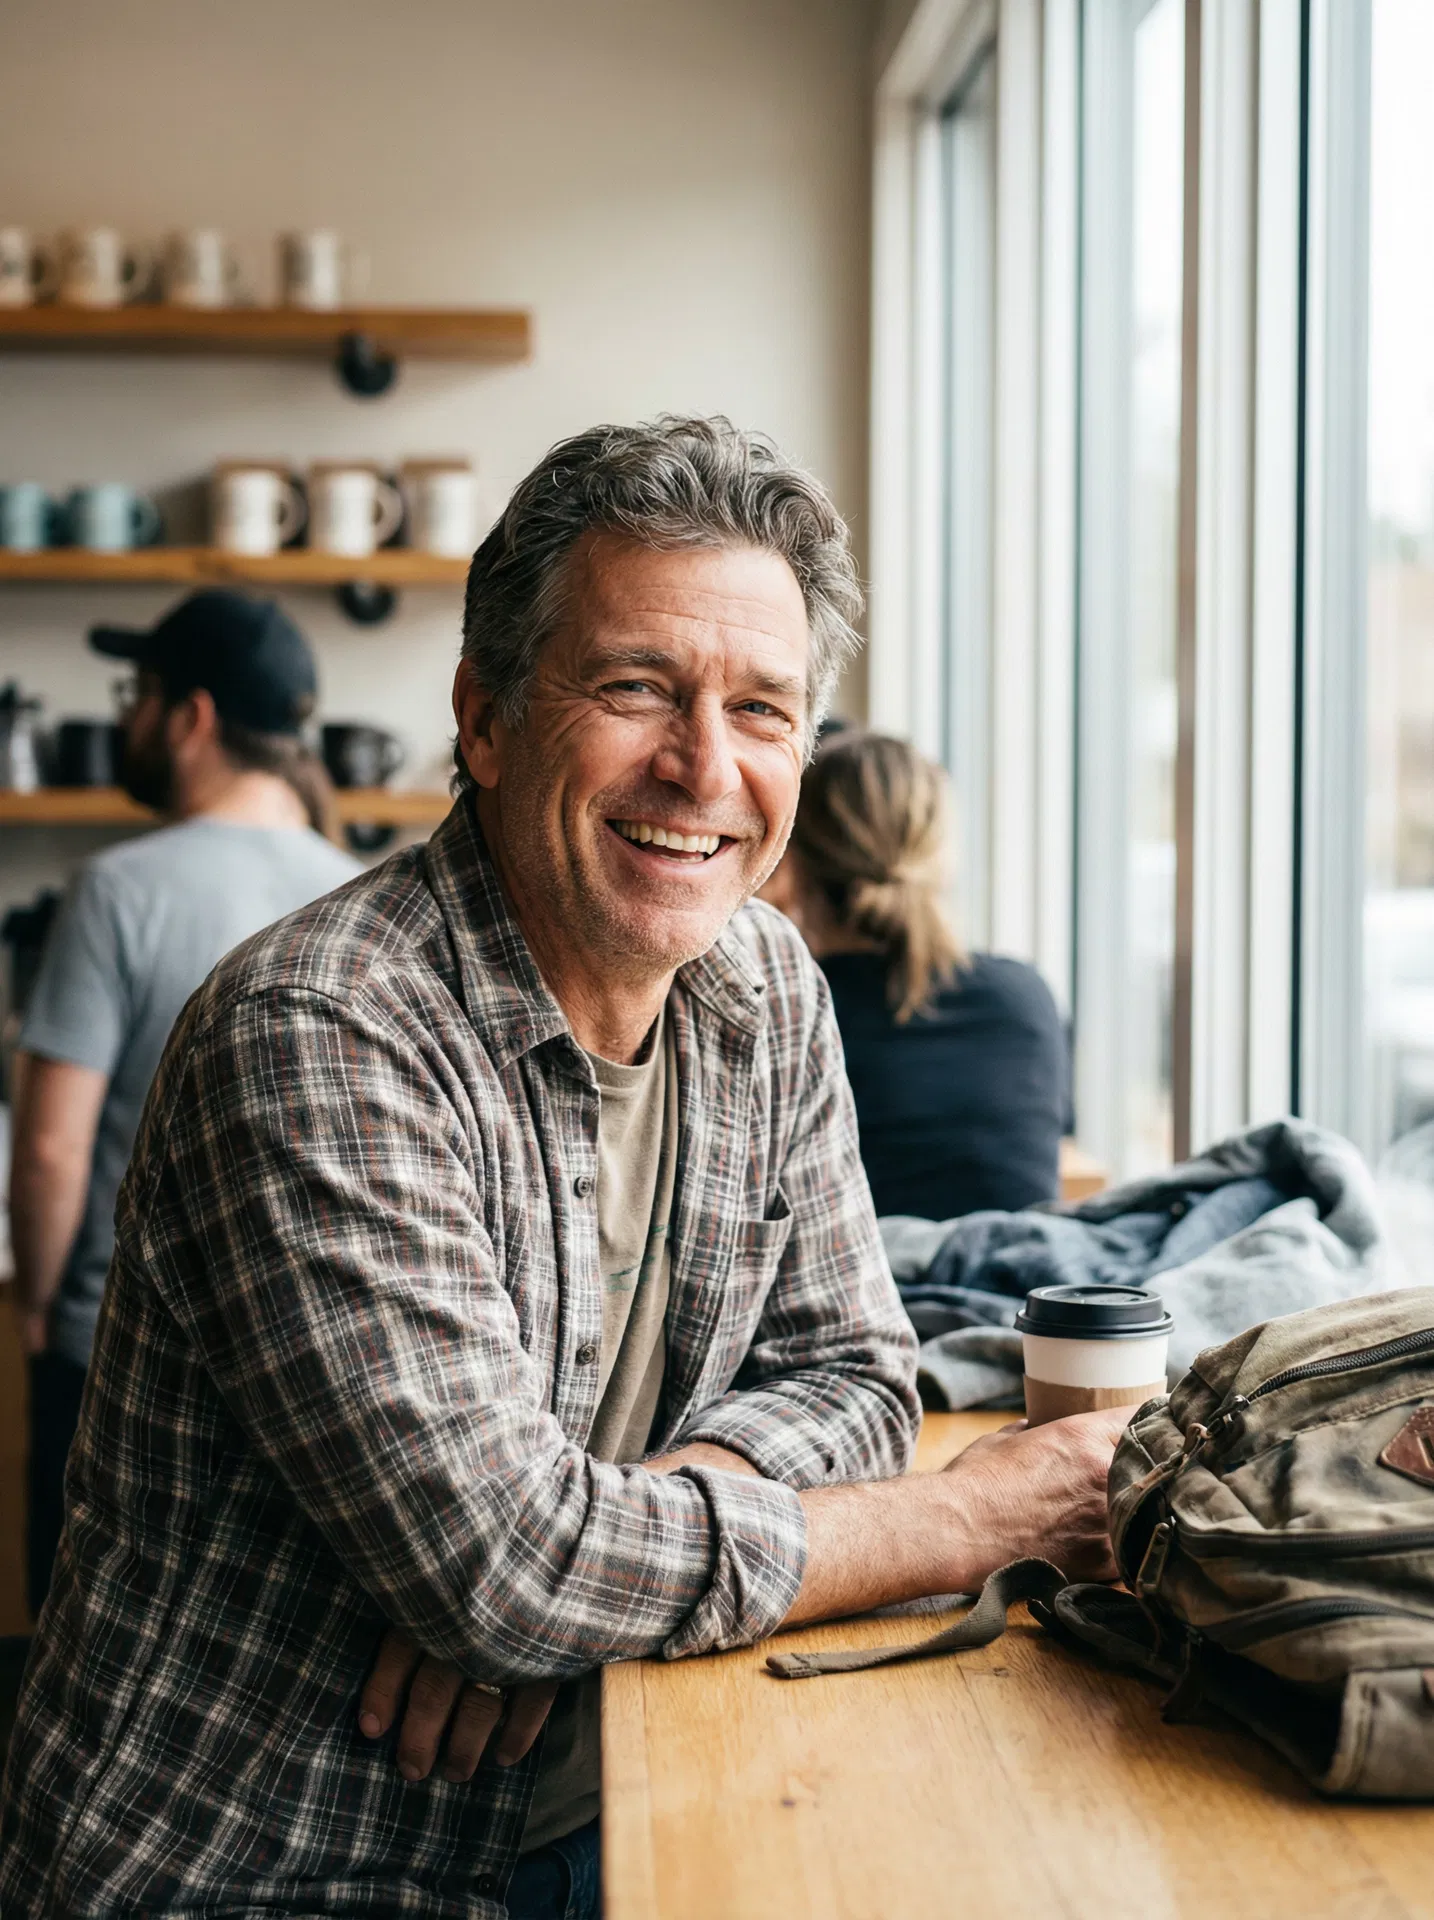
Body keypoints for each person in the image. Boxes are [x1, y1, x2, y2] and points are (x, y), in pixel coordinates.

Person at [0, 419, 1121, 1920]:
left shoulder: (764, 983)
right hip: (267, 1870)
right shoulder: (320, 1034)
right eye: (635, 688)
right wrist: (965, 1516)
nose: (703, 768)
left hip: (606, 1793)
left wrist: (611, 1538)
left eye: (762, 708)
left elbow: (856, 1374)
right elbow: (509, 1565)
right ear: (485, 717)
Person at [7, 589, 359, 1618]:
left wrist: (35, 1308)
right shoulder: (361, 887)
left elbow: (49, 1154)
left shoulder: (118, 890)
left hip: (120, 1355)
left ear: (192, 718)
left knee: (75, 1644)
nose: (128, 719)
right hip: (307, 1365)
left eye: (140, 694)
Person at [761, 732, 1070, 1219]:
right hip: (1017, 1287)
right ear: (940, 855)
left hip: (864, 1292)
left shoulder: (786, 1018)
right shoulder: (1024, 998)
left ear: (791, 862)